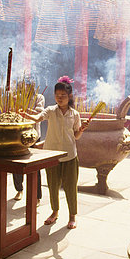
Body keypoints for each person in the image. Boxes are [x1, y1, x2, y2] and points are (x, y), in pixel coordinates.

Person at [21, 76, 89, 229]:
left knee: (71, 187)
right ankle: (55, 212)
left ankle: (72, 216)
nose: (60, 98)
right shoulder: (51, 110)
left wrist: (82, 129)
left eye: (63, 95)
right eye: (57, 95)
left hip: (70, 155)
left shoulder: (74, 114)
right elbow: (39, 118)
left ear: (69, 96)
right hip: (51, 155)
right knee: (52, 185)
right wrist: (28, 116)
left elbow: (76, 135)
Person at [12, 92, 45, 204]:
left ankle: (36, 196)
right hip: (19, 134)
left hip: (33, 135)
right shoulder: (18, 96)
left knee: (35, 166)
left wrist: (26, 110)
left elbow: (40, 113)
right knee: (16, 164)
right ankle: (19, 189)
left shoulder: (39, 97)